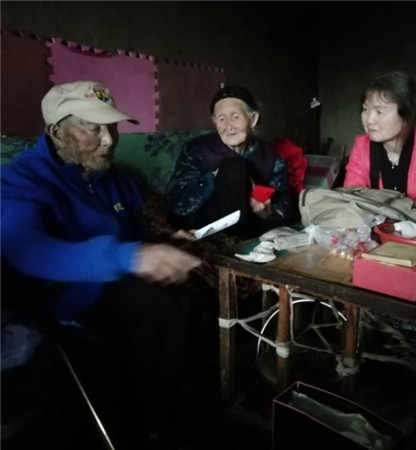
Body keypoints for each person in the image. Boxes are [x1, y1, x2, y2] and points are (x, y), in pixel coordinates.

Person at [0, 81, 219, 449]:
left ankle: (182, 401)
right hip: (66, 295)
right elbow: (24, 249)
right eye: (92, 128)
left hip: (119, 276)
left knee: (192, 291)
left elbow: (133, 232)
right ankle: (153, 423)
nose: (108, 141)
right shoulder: (19, 180)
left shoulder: (113, 178)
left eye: (112, 127)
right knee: (155, 306)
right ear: (57, 132)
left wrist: (163, 242)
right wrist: (130, 257)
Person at [166, 84, 294, 239]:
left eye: (235, 117)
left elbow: (284, 203)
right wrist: (213, 176)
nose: (228, 126)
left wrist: (269, 211)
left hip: (250, 225)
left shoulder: (271, 158)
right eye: (221, 119)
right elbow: (178, 205)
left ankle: (239, 241)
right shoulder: (197, 149)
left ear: (253, 119)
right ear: (214, 122)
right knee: (234, 166)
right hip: (206, 227)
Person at [343, 71, 416, 217]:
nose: (369, 119)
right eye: (365, 109)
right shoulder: (362, 145)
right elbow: (352, 197)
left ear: (407, 115)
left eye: (379, 111)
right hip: (377, 226)